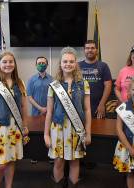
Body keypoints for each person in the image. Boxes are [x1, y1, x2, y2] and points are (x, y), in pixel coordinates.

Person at [44, 47, 92, 187]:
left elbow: (88, 110)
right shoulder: (53, 85)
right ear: (60, 63)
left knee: (75, 161)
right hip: (58, 129)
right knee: (59, 161)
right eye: (65, 61)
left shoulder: (84, 84)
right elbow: (49, 112)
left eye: (71, 61)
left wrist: (88, 133)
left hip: (77, 129)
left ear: (76, 63)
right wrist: (46, 134)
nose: (68, 64)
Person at [0, 51, 29, 188]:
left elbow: (24, 107)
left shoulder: (20, 83)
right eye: (5, 62)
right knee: (1, 164)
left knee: (11, 160)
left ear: (14, 64)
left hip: (15, 128)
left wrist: (25, 125)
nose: (8, 64)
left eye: (11, 62)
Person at [27, 56, 53, 164]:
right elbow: (29, 97)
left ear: (47, 65)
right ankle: (35, 156)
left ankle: (50, 155)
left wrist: (47, 109)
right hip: (36, 112)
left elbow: (54, 96)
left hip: (49, 112)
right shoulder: (31, 79)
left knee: (49, 132)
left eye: (43, 63)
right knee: (36, 134)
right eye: (39, 63)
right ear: (36, 65)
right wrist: (40, 108)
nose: (41, 64)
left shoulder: (52, 79)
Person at [79, 40, 112, 119]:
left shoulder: (103, 66)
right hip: (80, 107)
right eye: (87, 48)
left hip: (97, 108)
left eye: (92, 48)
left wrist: (102, 104)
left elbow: (108, 86)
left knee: (97, 130)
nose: (90, 50)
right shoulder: (77, 66)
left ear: (96, 50)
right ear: (84, 50)